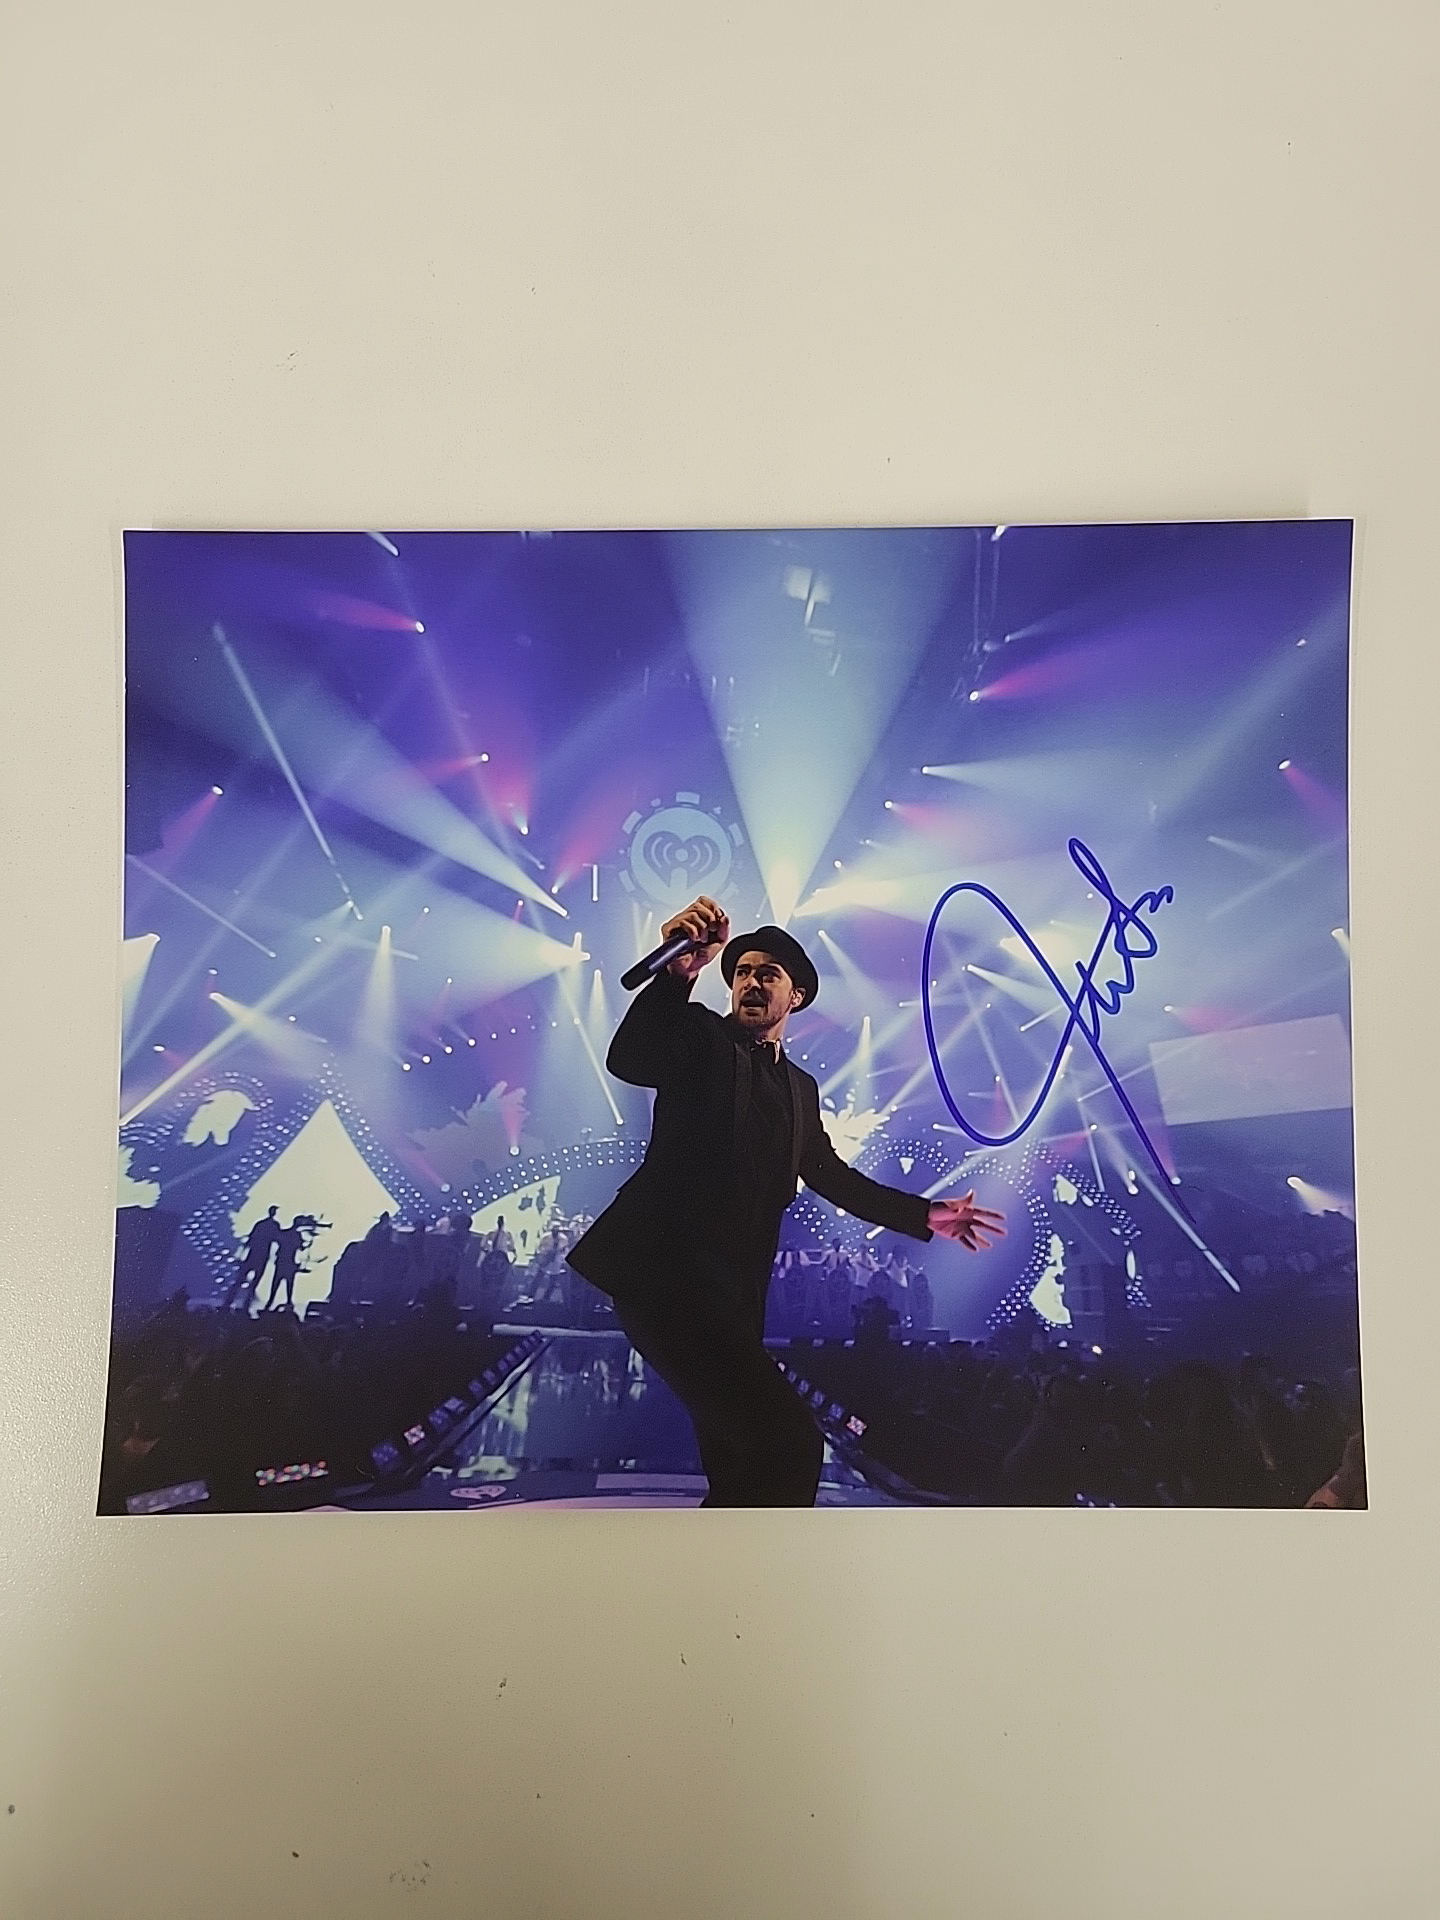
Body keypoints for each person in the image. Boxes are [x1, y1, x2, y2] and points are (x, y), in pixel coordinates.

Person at [567, 894, 1004, 1506]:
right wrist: (676, 977)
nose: (750, 982)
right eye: (742, 972)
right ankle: (771, 1560)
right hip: (664, 1279)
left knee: (739, 1460)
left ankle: (734, 1563)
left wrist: (922, 1213)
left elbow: (829, 1174)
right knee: (790, 1441)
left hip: (734, 1290)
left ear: (794, 995)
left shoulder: (800, 1087)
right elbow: (631, 1058)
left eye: (767, 974)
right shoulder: (700, 1037)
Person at [226, 1206, 280, 1311]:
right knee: (253, 1282)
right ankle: (245, 1304)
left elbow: (251, 1239)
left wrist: (242, 1252)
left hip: (253, 1255)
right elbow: (277, 1239)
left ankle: (231, 1301)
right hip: (261, 1257)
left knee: (241, 1280)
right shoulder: (274, 1225)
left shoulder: (261, 1224)